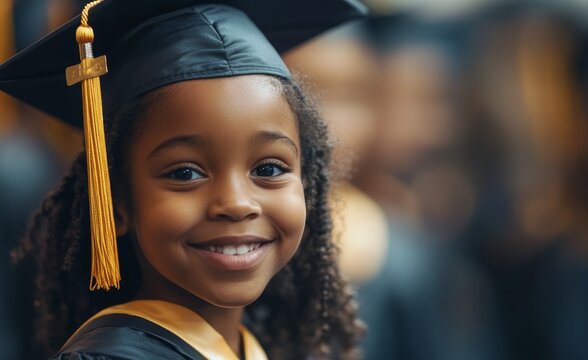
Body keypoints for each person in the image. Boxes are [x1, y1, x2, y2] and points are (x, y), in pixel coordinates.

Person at [0, 0, 365, 359]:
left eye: (268, 169)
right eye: (185, 173)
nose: (236, 203)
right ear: (116, 202)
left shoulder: (252, 348)